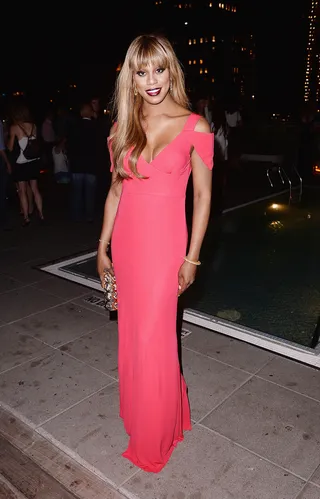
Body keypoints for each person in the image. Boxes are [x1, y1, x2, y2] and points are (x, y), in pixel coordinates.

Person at [97, 34, 213, 472]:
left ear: (171, 71)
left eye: (158, 69)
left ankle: (155, 434)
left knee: (155, 341)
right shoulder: (121, 129)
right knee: (133, 339)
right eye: (141, 71)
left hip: (166, 251)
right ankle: (158, 416)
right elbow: (115, 191)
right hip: (126, 246)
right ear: (130, 77)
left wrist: (192, 257)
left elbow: (202, 199)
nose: (151, 80)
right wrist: (102, 245)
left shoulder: (194, 126)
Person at [7, 103, 44, 225]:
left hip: (22, 162)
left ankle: (26, 217)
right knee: (35, 188)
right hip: (33, 161)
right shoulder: (34, 126)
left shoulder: (14, 127)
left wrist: (10, 139)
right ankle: (41, 214)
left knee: (22, 190)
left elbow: (11, 148)